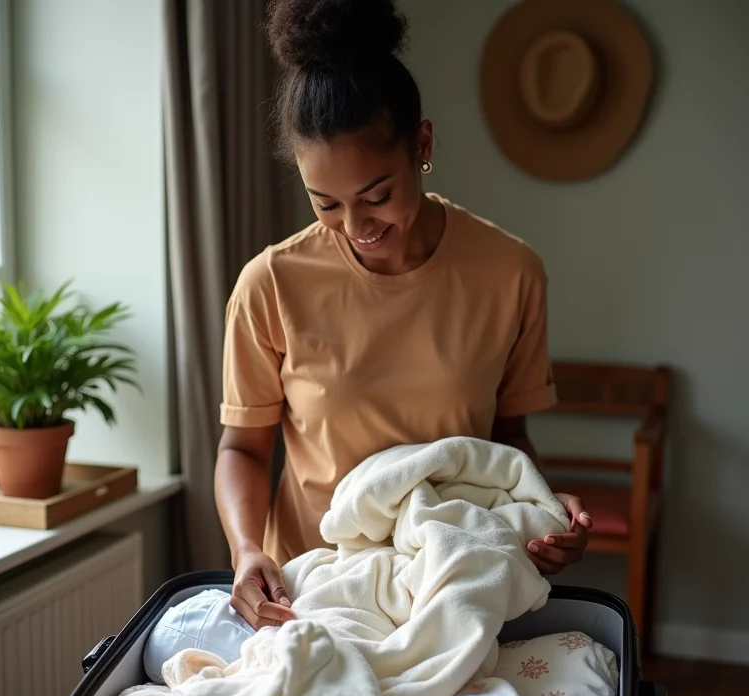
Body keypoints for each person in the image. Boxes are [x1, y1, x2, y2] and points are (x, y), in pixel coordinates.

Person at [215, 0, 592, 631]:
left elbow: (506, 438)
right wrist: (247, 550)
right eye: (325, 205)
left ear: (422, 145)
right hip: (312, 587)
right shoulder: (271, 284)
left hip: (452, 581)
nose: (356, 227)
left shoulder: (510, 272)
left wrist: (540, 506)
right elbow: (242, 449)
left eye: (377, 196)